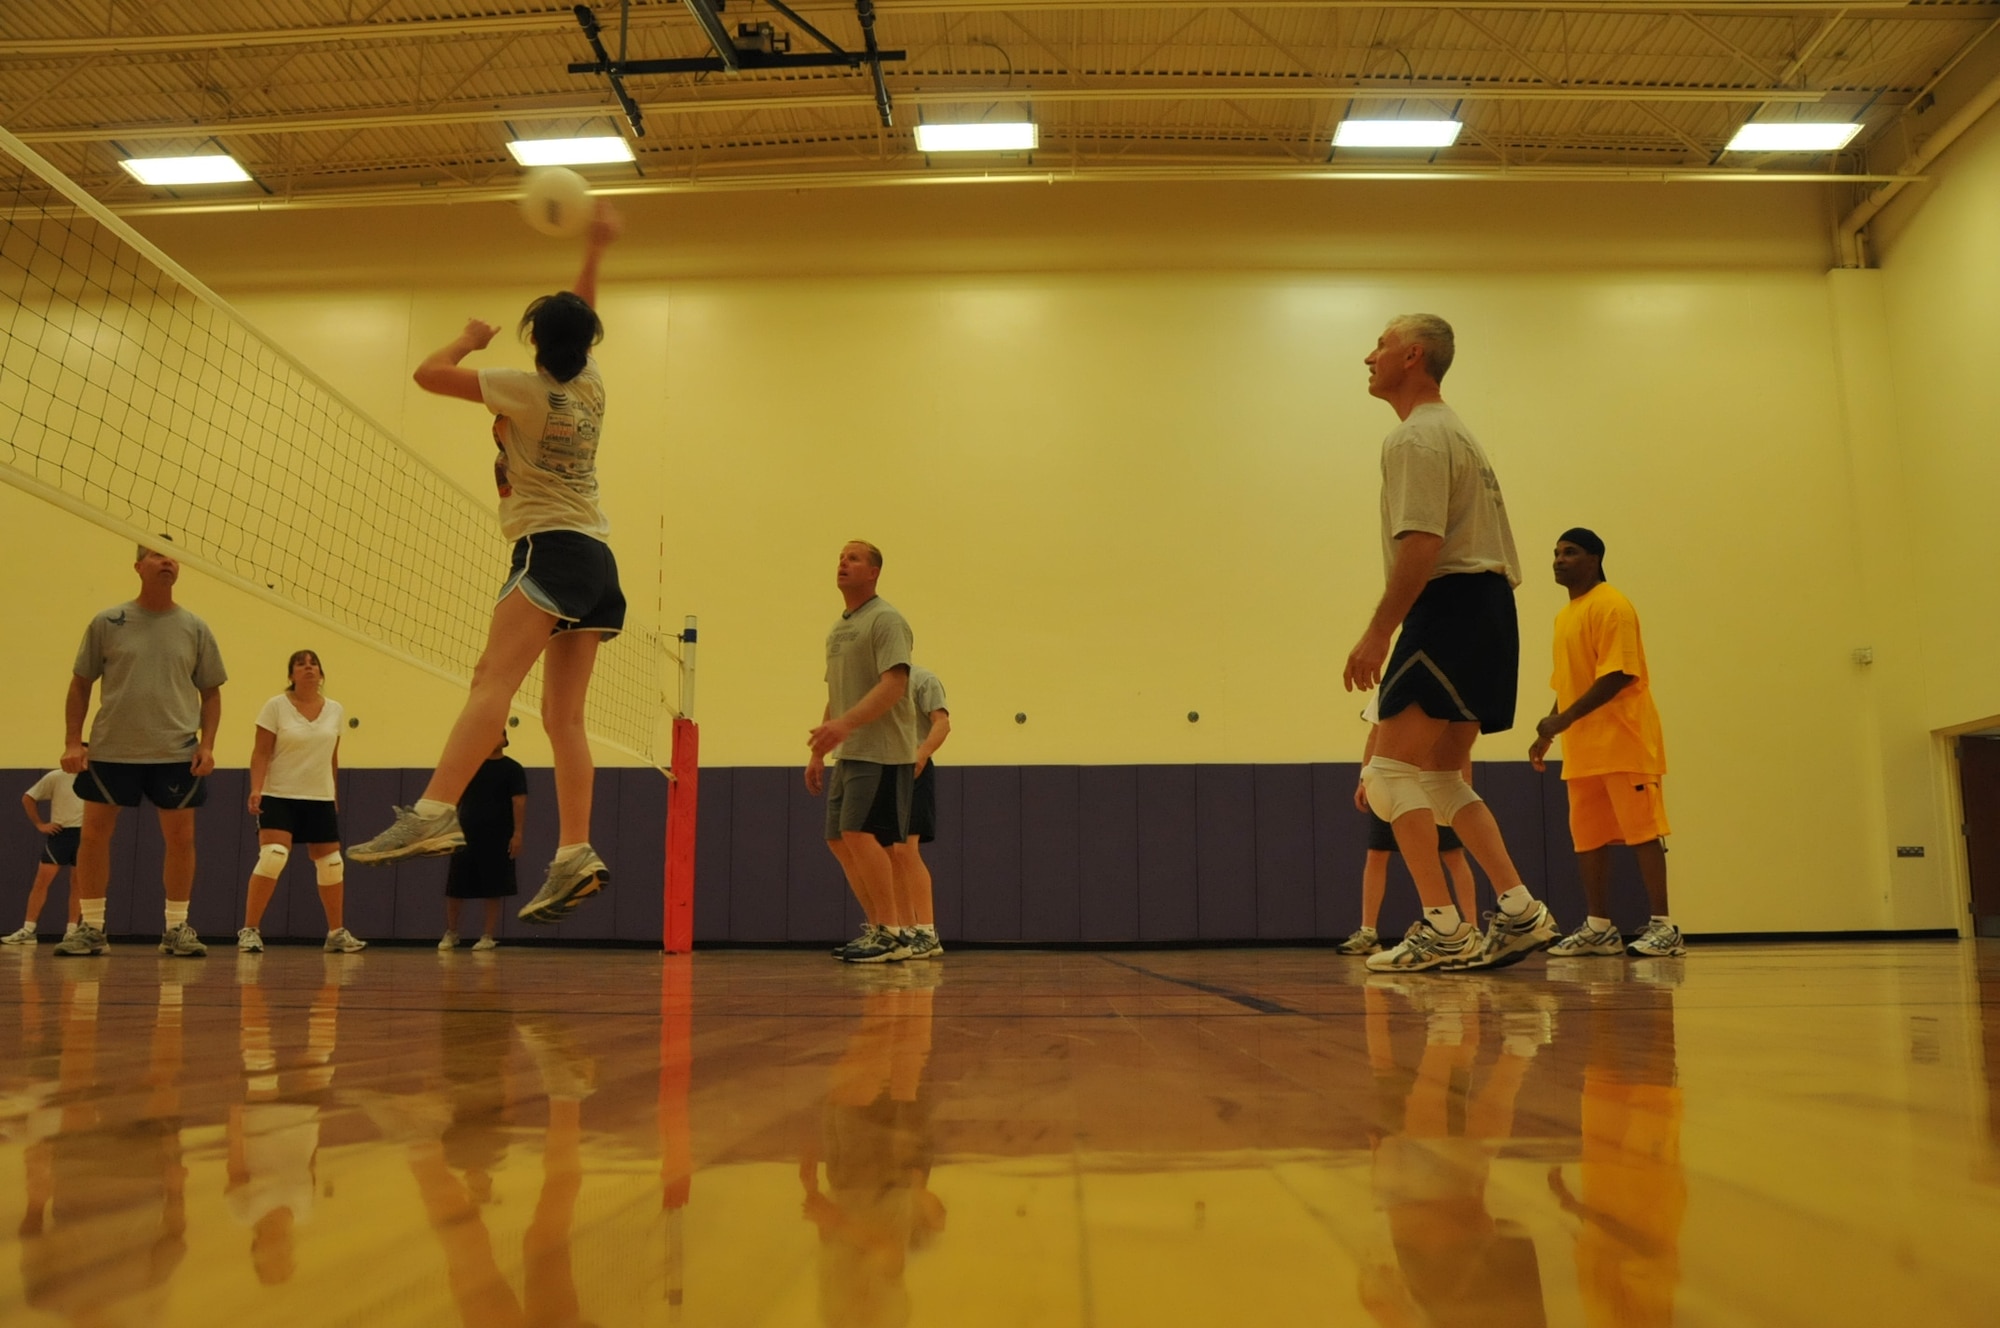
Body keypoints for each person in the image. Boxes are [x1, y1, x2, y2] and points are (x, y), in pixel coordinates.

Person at [349, 204, 623, 931]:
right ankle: (573, 852)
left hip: (548, 548)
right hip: (597, 558)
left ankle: (435, 811)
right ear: (585, 346)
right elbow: (581, 316)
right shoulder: (590, 387)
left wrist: (468, 339)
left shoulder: (521, 387)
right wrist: (594, 250)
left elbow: (427, 373)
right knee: (565, 716)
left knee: (491, 681)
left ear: (534, 344)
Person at [1342, 314, 1559, 973]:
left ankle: (1443, 926)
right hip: (1491, 611)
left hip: (1450, 604)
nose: (1367, 356)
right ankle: (1520, 910)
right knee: (1438, 776)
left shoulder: (1417, 438)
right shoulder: (1459, 432)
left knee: (1387, 775)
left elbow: (1423, 543)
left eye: (1379, 345)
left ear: (1412, 356)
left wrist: (1379, 632)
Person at [55, 542, 227, 958]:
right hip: (112, 749)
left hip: (175, 751)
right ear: (138, 566)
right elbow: (81, 684)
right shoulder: (108, 621)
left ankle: (176, 927)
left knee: (181, 839)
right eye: (156, 555)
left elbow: (211, 692)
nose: (167, 560)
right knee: (94, 836)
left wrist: (207, 745)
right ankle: (92, 928)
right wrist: (71, 741)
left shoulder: (195, 627)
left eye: (172, 556)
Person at [1531, 529, 1685, 958]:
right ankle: (1599, 927)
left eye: (1570, 553)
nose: (1559, 560)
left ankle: (1665, 928)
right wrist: (1549, 731)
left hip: (1625, 740)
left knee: (1642, 832)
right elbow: (1568, 683)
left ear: (1595, 559)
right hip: (1583, 748)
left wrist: (1562, 718)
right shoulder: (1566, 616)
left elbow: (1618, 675)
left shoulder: (1612, 606)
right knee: (1588, 837)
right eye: (1556, 553)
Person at [805, 541, 919, 965]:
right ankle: (880, 930)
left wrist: (846, 725)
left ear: (873, 572)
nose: (842, 562)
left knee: (861, 834)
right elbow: (837, 693)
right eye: (839, 557)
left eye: (853, 558)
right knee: (839, 839)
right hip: (848, 752)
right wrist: (821, 750)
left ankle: (894, 932)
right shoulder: (839, 628)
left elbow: (894, 685)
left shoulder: (886, 619)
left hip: (882, 750)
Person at [238, 649, 364, 954]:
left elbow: (332, 757)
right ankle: (250, 930)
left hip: (318, 797)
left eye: (313, 664)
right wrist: (256, 788)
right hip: (279, 794)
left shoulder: (335, 710)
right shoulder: (276, 706)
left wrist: (333, 794)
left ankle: (336, 933)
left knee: (332, 865)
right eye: (300, 664)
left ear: (321, 674)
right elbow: (261, 752)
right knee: (273, 855)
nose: (308, 668)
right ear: (291, 674)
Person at [1338, 699, 1479, 955]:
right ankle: (1368, 932)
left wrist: (1464, 781)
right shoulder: (1386, 691)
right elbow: (1375, 734)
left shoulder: (1438, 685)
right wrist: (1364, 779)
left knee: (1453, 855)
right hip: (1389, 782)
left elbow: (1459, 740)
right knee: (1376, 854)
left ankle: (1472, 928)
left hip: (1433, 783)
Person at [887, 664, 950, 962]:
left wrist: (921, 754)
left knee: (905, 850)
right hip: (883, 769)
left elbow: (942, 723)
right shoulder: (876, 684)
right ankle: (904, 930)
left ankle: (927, 930)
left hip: (913, 769)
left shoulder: (924, 680)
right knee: (890, 853)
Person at [440, 736, 527, 951]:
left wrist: (517, 834)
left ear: (506, 740)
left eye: (499, 732)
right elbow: (456, 797)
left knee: (493, 887)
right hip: (465, 834)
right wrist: (448, 827)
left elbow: (519, 801)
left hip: (498, 835)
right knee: (456, 885)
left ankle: (487, 936)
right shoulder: (470, 765)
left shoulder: (513, 768)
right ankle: (452, 932)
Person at [6, 755, 85, 946]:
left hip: (85, 836)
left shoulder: (96, 779)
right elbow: (28, 797)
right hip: (61, 834)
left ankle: (72, 931)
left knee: (78, 885)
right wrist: (40, 824)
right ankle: (28, 929)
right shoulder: (56, 777)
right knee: (42, 881)